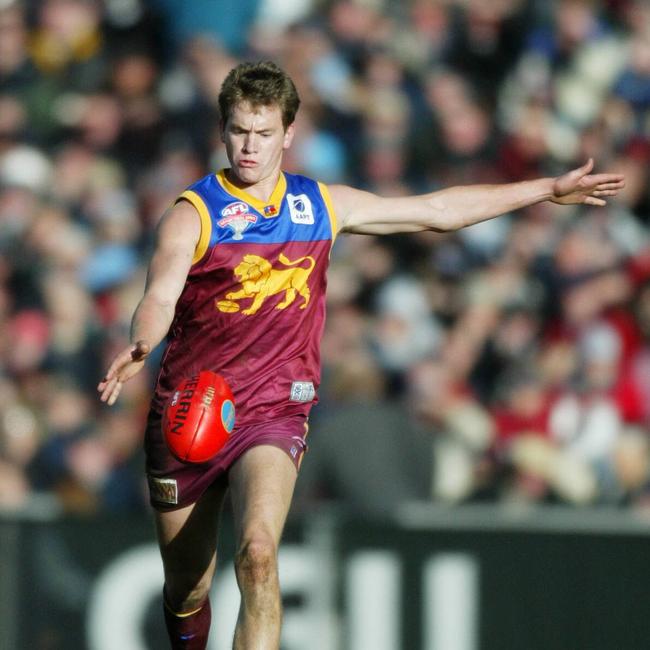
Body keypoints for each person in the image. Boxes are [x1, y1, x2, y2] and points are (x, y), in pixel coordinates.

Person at [97, 60, 625, 649]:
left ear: (288, 134)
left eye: (264, 132)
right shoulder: (192, 214)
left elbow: (436, 211)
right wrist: (142, 342)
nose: (250, 145)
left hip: (274, 409)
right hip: (192, 408)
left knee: (258, 554)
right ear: (223, 130)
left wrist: (546, 189)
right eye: (240, 130)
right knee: (188, 590)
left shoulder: (321, 204)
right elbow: (161, 294)